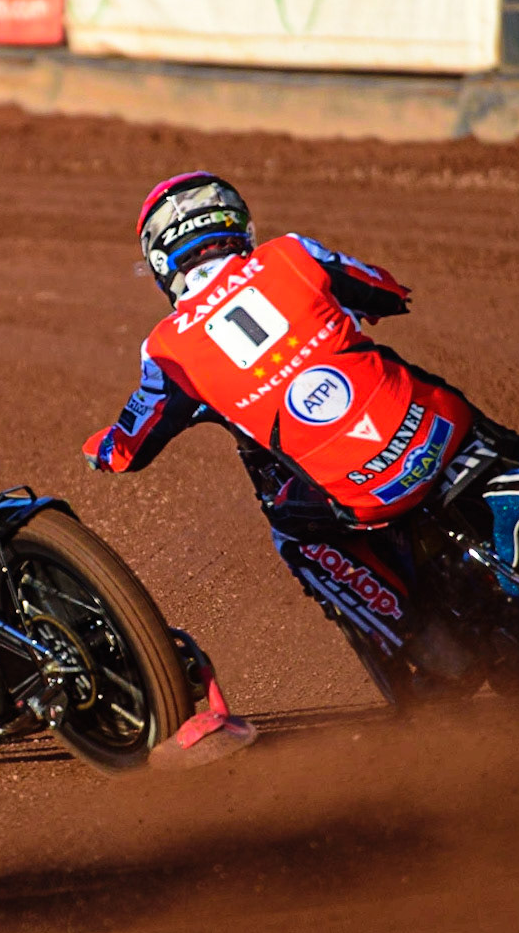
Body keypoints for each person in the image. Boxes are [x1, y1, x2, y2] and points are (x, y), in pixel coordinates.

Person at [82, 173, 489, 690]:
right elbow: (385, 291)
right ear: (238, 226)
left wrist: (103, 449)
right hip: (433, 423)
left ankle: (426, 639)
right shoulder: (292, 252)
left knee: (294, 533)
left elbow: (130, 445)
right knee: (487, 434)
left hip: (349, 487)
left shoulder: (167, 347)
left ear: (162, 263)